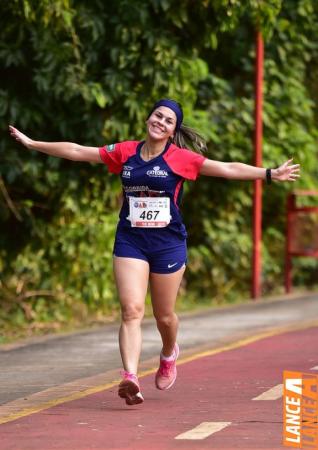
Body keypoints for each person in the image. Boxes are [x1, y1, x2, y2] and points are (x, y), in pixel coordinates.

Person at [9, 98, 300, 406]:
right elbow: (80, 151)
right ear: (148, 118)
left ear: (173, 131)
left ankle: (168, 352)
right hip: (131, 240)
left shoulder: (179, 158)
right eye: (157, 115)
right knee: (131, 310)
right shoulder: (125, 152)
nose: (160, 121)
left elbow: (227, 168)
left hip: (168, 244)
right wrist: (33, 144)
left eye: (168, 120)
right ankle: (130, 378)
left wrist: (269, 174)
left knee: (164, 316)